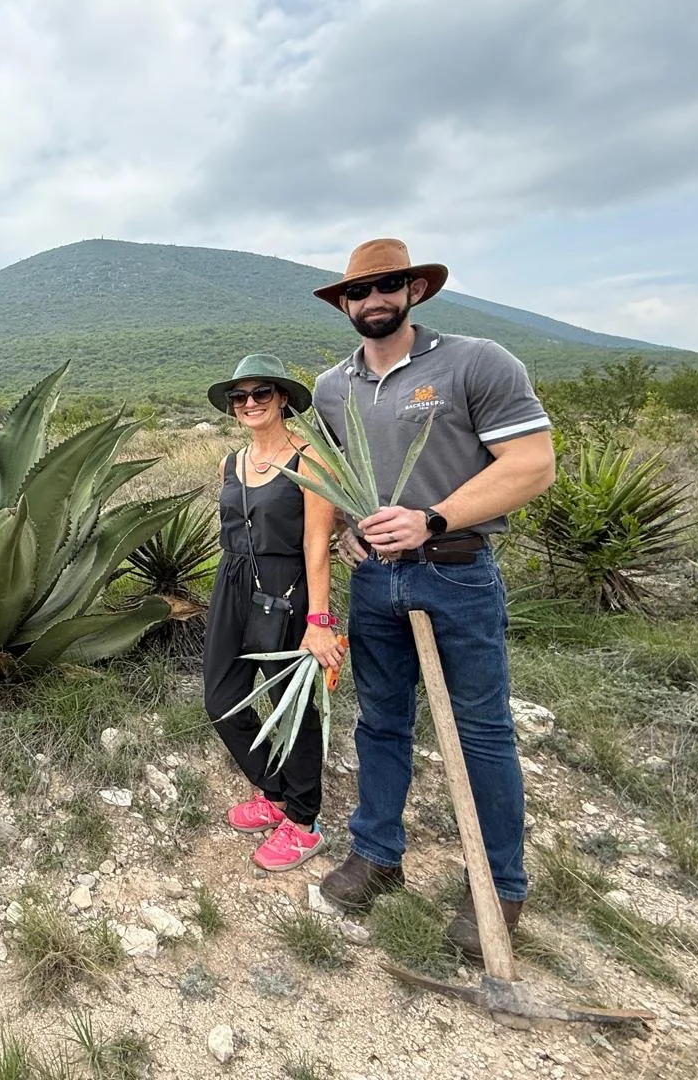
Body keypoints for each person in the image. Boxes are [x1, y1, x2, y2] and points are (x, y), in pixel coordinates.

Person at [309, 239, 556, 959]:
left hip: (454, 569)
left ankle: (500, 890)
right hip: (374, 579)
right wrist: (349, 534)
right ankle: (377, 854)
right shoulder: (333, 387)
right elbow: (334, 475)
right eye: (358, 292)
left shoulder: (476, 362)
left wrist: (433, 517)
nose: (372, 301)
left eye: (387, 286)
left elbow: (533, 464)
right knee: (380, 723)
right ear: (345, 303)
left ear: (414, 289)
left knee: (481, 731)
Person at [203, 356, 346, 872]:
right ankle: (276, 792)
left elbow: (316, 543)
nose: (250, 403)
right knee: (220, 699)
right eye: (239, 397)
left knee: (291, 708)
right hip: (233, 584)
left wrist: (320, 619)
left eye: (261, 392)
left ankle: (305, 821)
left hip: (288, 588)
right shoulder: (231, 462)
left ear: (283, 397)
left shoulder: (311, 460)